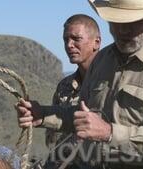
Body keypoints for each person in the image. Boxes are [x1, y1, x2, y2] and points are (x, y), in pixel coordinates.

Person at [16, 0, 143, 168]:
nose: (123, 30)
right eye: (116, 21)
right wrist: (43, 115)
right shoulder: (102, 60)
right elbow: (81, 115)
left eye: (132, 22)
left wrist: (109, 133)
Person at [44, 14, 101, 168]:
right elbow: (52, 139)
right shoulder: (64, 86)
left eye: (76, 39)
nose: (69, 45)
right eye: (65, 39)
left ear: (96, 42)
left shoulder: (110, 83)